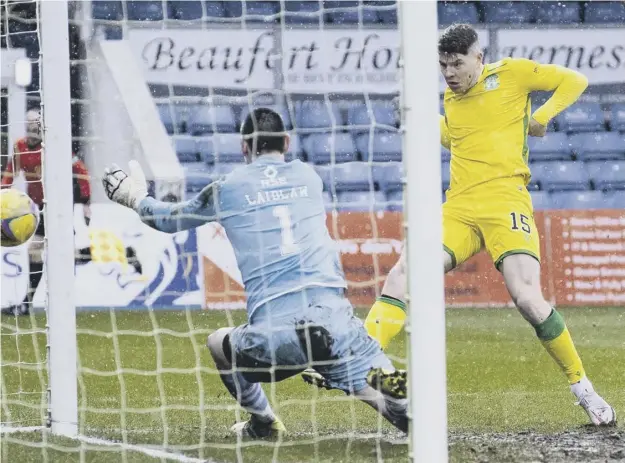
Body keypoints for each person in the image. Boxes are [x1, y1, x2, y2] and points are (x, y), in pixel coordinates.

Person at [314, 24, 616, 427]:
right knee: (404, 274)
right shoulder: (449, 100)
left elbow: (575, 80)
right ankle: (361, 362)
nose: (450, 72)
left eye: (457, 63)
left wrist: (541, 116)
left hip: (506, 200)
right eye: (443, 65)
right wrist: (424, 123)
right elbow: (460, 140)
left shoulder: (512, 73)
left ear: (480, 58)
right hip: (459, 208)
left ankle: (584, 389)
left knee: (526, 297)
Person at [101, 108, 409, 437]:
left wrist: (135, 198)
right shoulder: (309, 177)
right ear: (287, 142)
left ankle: (264, 422)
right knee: (396, 398)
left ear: (244, 147)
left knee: (218, 343)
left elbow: (167, 220)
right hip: (336, 328)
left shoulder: (228, 189)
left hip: (275, 339)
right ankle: (397, 397)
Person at [1, 109, 141, 316]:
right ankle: (27, 304)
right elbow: (9, 174)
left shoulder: (54, 146)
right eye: (29, 122)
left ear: (41, 125)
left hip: (58, 206)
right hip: (36, 209)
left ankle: (123, 253)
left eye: (36, 123)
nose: (32, 127)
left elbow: (81, 171)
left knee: (64, 255)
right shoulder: (20, 146)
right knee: (41, 252)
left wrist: (85, 202)